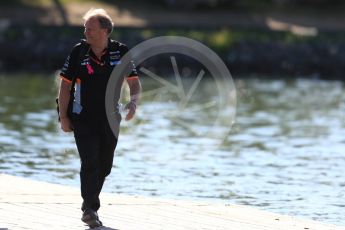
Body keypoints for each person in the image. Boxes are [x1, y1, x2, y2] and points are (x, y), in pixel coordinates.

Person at [58, 8, 141, 228]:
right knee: (90, 162)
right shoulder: (78, 52)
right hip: (82, 117)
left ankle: (90, 206)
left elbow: (134, 82)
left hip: (111, 119)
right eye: (85, 28)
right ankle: (90, 209)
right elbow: (65, 86)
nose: (86, 32)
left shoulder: (120, 51)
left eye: (91, 28)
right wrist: (63, 116)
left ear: (105, 31)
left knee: (104, 166)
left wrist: (133, 102)